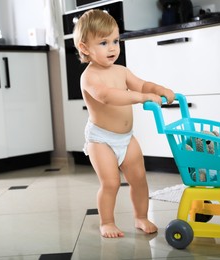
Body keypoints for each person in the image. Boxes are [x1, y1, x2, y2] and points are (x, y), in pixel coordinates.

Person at [73, 9, 175, 238]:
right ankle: (107, 222)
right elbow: (107, 96)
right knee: (111, 183)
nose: (112, 48)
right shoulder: (89, 77)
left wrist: (158, 90)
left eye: (115, 41)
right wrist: (141, 98)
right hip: (101, 140)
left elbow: (143, 85)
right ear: (84, 48)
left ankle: (140, 216)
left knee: (139, 179)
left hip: (126, 138)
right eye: (103, 42)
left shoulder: (121, 70)